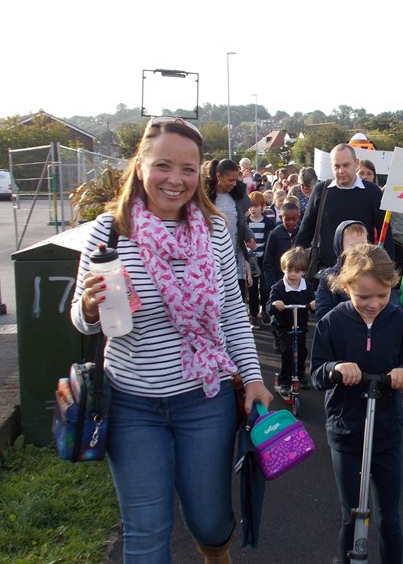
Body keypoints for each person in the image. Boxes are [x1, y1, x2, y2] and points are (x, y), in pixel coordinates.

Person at [70, 116, 272, 563]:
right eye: (163, 165)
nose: (175, 180)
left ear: (200, 173)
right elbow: (83, 321)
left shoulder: (216, 231)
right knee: (145, 533)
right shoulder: (109, 232)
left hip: (205, 398)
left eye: (187, 169)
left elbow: (233, 312)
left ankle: (215, 554)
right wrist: (86, 308)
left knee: (210, 522)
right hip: (132, 404)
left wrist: (253, 377)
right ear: (140, 165)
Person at [311, 244, 403, 564]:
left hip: (385, 431)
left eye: (382, 295)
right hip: (346, 430)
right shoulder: (332, 322)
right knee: (351, 514)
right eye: (363, 297)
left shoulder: (401, 322)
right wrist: (335, 368)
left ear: (392, 287)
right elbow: (317, 374)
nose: (373, 304)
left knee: (389, 517)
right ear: (346, 288)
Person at [296, 144, 392, 270]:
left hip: (361, 271)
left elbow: (385, 235)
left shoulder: (373, 192)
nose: (341, 171)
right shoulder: (321, 191)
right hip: (327, 271)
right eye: (337, 166)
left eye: (346, 165)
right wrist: (295, 265)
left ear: (356, 163)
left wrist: (386, 271)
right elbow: (305, 231)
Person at [204, 159, 256, 306]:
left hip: (235, 253)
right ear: (218, 176)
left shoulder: (237, 196)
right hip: (212, 256)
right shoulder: (205, 198)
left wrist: (248, 236)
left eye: (236, 179)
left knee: (236, 297)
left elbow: (242, 222)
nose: (234, 183)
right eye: (230, 180)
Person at [266, 247, 316, 394]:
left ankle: (300, 375)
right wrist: (275, 305)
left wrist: (313, 304)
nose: (292, 274)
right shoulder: (278, 288)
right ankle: (285, 379)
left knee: (301, 351)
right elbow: (270, 307)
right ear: (283, 269)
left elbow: (312, 302)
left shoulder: (307, 286)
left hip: (300, 325)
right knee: (288, 352)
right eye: (289, 270)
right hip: (284, 326)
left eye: (297, 271)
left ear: (303, 272)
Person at [314, 220, 370, 319]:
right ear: (340, 246)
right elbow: (323, 314)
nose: (359, 250)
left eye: (363, 245)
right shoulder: (328, 278)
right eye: (353, 246)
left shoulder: (372, 273)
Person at [247, 191, 276, 328]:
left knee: (265, 288)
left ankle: (264, 310)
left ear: (262, 207)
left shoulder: (268, 223)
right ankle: (253, 314)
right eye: (251, 206)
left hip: (264, 259)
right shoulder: (246, 222)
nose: (253, 209)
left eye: (256, 206)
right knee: (252, 288)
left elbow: (270, 242)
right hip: (250, 260)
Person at [262, 200, 300, 290]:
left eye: (294, 219)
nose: (291, 222)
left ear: (298, 217)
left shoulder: (301, 234)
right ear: (281, 217)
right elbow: (268, 261)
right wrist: (272, 284)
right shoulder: (275, 235)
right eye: (287, 219)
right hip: (279, 280)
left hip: (298, 282)